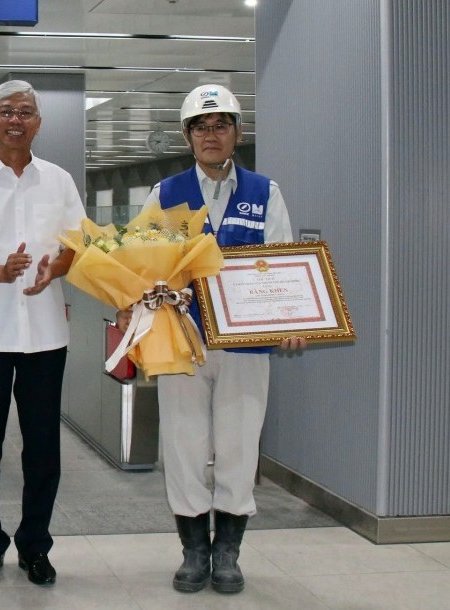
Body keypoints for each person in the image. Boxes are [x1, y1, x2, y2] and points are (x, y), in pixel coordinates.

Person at [120, 83, 307, 595]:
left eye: (221, 124)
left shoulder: (265, 192)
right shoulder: (165, 193)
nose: (211, 134)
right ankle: (193, 552)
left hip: (246, 346)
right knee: (183, 445)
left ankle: (227, 552)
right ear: (187, 137)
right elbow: (142, 264)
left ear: (237, 134)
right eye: (201, 127)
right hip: (182, 342)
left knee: (239, 444)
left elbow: (285, 263)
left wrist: (291, 321)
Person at [0, 80, 87, 587]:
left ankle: (35, 546)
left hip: (46, 336)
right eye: (6, 112)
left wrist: (57, 268)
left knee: (43, 447)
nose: (15, 120)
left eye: (25, 112)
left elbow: (78, 243)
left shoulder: (60, 181)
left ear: (38, 123)